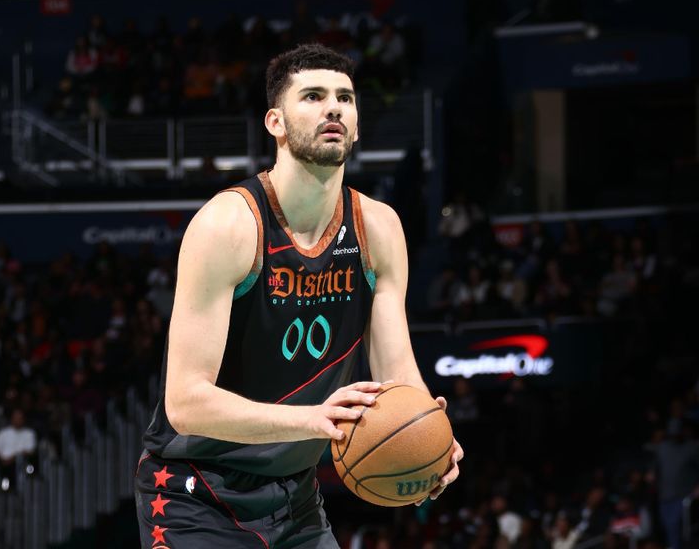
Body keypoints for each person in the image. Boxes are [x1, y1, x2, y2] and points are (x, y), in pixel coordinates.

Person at [134, 43, 464, 548]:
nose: (333, 107)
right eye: (312, 96)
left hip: (296, 498)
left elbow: (397, 370)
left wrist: (428, 435)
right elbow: (185, 401)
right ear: (276, 123)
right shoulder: (229, 226)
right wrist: (311, 420)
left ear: (355, 124)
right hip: (194, 493)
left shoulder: (378, 227)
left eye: (345, 99)